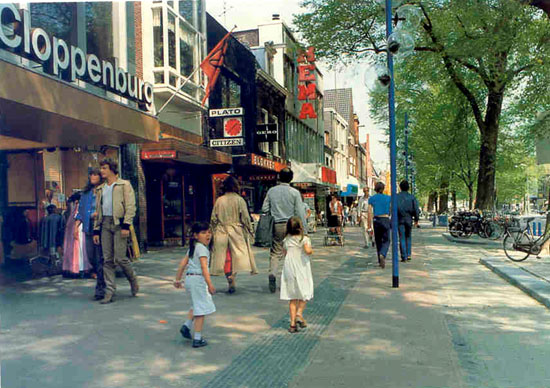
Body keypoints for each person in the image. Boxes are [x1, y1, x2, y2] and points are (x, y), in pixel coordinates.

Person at [93, 158, 138, 304]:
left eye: (104, 168)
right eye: (101, 168)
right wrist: (96, 230)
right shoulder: (100, 188)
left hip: (119, 223)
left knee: (120, 258)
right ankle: (110, 291)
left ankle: (133, 280)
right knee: (107, 260)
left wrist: (126, 225)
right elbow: (98, 210)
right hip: (105, 224)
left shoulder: (124, 185)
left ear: (112, 169)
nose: (102, 171)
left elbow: (131, 206)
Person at [261, 168, 307, 294]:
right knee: (291, 252)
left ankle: (272, 273)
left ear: (279, 177)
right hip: (291, 226)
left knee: (275, 252)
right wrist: (305, 230)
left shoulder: (271, 191)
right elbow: (300, 212)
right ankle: (289, 280)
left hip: (276, 225)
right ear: (291, 178)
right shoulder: (295, 193)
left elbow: (264, 208)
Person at [210, 176, 258, 294]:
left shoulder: (219, 200)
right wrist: (250, 230)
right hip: (236, 231)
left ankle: (229, 279)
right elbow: (246, 218)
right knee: (237, 256)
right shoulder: (239, 200)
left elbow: (213, 218)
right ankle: (233, 277)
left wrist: (211, 231)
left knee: (225, 257)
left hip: (221, 231)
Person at [173, 222, 216, 348]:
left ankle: (186, 326)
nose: (207, 235)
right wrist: (210, 284)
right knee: (200, 310)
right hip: (198, 281)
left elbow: (182, 264)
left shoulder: (193, 247)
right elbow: (204, 268)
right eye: (203, 233)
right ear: (195, 235)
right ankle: (197, 338)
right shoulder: (202, 249)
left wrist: (177, 279)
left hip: (189, 280)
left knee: (196, 304)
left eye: (209, 232)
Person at [75, 168, 106, 299]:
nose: (93, 176)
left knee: (100, 259)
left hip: (100, 227)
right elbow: (81, 210)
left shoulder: (104, 190)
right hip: (88, 227)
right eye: (91, 174)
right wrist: (76, 227)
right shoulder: (86, 192)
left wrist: (98, 214)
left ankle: (101, 289)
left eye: (95, 174)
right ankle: (104, 283)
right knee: (91, 257)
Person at [280, 216, 313, 333]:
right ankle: (299, 313)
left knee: (292, 297)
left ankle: (293, 324)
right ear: (300, 227)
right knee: (305, 292)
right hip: (301, 268)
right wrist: (310, 250)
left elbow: (284, 253)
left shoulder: (286, 240)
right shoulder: (304, 239)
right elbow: (308, 251)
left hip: (289, 268)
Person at [369, 182, 391, 268]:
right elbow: (391, 208)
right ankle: (383, 254)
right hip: (385, 219)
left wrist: (369, 225)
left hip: (376, 219)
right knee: (387, 239)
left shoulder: (372, 198)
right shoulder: (388, 198)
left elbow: (369, 211)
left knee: (378, 240)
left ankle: (379, 259)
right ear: (383, 189)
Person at [397, 180, 420, 262]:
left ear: (400, 187)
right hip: (409, 218)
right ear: (408, 188)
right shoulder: (412, 197)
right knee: (408, 236)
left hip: (399, 218)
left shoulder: (396, 197)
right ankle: (409, 254)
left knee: (401, 237)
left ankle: (403, 256)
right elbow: (416, 209)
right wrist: (416, 220)